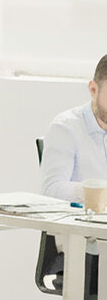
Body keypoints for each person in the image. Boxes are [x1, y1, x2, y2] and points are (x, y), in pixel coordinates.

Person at [40, 54, 107, 204]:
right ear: (93, 89)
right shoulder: (65, 128)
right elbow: (50, 189)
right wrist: (98, 192)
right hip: (82, 224)